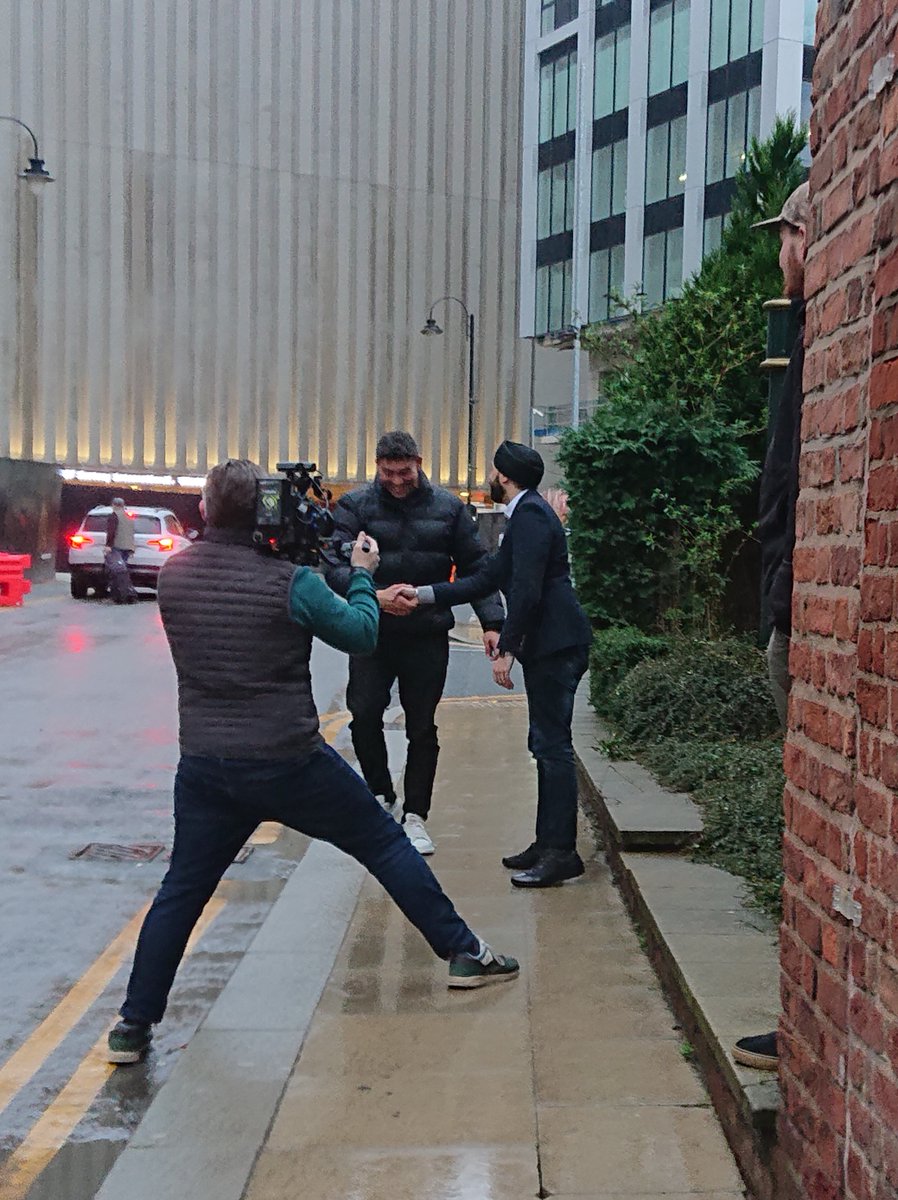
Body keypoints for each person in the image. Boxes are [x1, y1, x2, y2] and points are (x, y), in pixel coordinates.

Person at [106, 459, 518, 1066]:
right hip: (288, 758)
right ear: (266, 515)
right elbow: (359, 634)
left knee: (182, 890)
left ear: (203, 511)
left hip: (206, 764)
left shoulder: (174, 575)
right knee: (384, 843)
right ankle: (464, 952)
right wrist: (359, 575)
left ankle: (132, 1026)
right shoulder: (290, 582)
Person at [410, 440, 593, 888]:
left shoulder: (529, 515)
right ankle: (547, 842)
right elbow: (489, 577)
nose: (491, 479)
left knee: (552, 747)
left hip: (555, 645)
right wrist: (425, 594)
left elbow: (527, 590)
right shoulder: (526, 513)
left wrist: (507, 647)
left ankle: (561, 853)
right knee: (544, 743)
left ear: (504, 477)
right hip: (552, 643)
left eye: (494, 473)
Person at [325, 431, 504, 856]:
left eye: (404, 472)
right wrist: (373, 592)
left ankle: (416, 814)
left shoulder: (448, 508)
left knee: (422, 726)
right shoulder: (355, 506)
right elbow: (332, 564)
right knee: (363, 714)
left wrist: (493, 622)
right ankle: (380, 795)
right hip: (371, 629)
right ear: (376, 466)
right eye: (387, 473)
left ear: (419, 463)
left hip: (427, 632)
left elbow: (477, 567)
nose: (397, 481)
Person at [732, 180, 809, 1074]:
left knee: (807, 817)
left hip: (805, 613)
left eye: (785, 235)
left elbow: (784, 494)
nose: (778, 253)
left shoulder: (817, 338)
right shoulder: (803, 337)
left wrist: (780, 604)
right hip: (797, 603)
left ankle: (811, 1023)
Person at [105, 497, 138, 604]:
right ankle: (123, 593)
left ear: (113, 505)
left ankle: (120, 594)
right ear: (123, 505)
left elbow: (111, 531)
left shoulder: (114, 516)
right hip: (127, 548)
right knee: (122, 571)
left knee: (117, 571)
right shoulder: (129, 517)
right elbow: (131, 533)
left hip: (116, 547)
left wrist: (108, 545)